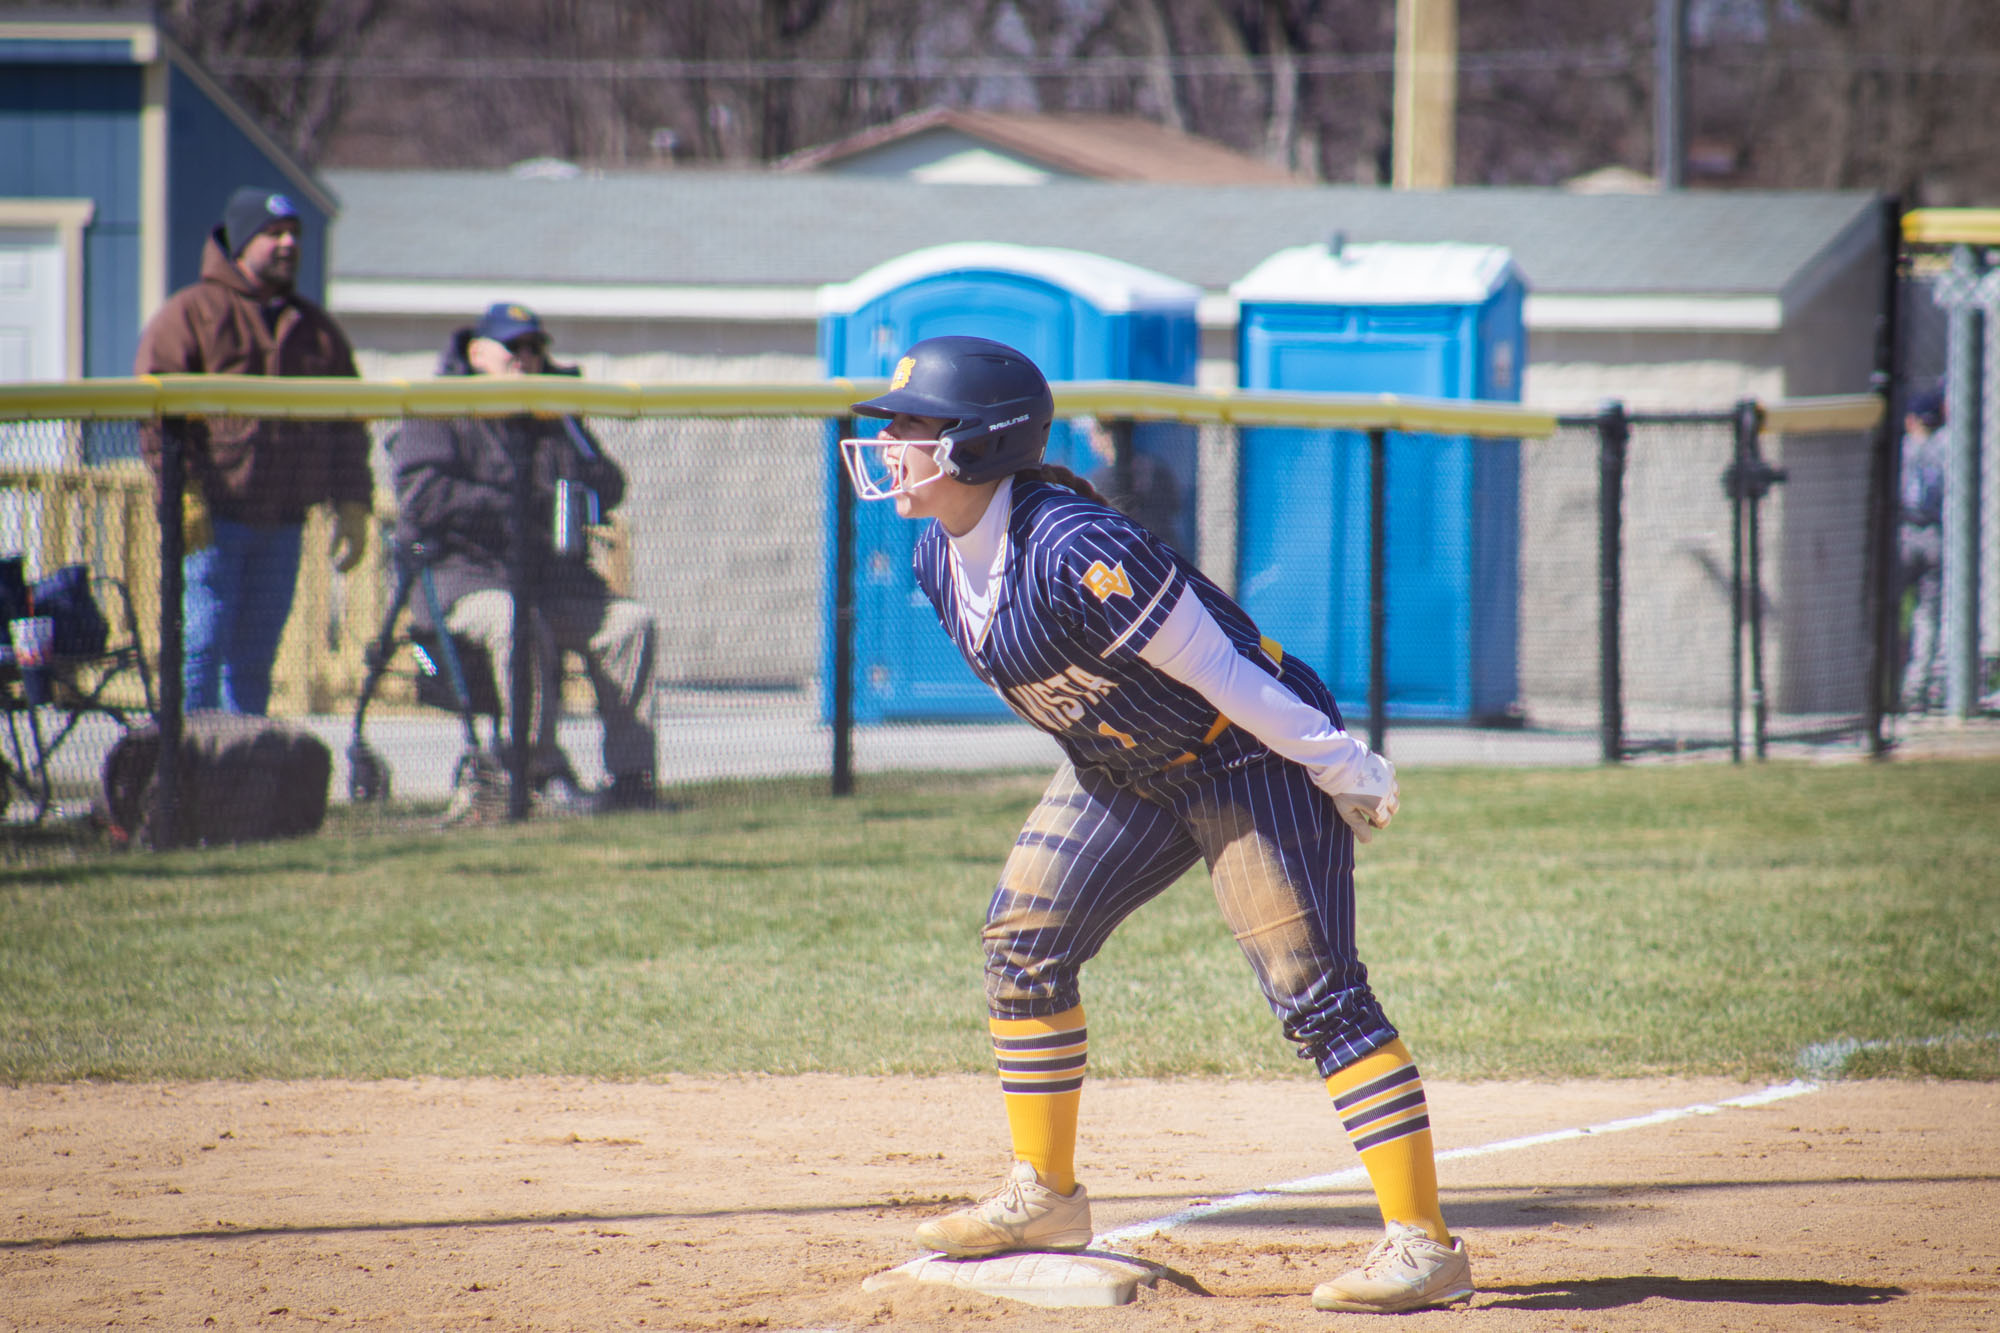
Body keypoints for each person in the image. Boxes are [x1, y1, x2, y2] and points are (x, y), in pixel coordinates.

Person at [839, 336, 1471, 1314]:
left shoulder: (1077, 549)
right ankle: (1042, 1196)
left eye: (911, 426)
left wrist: (1338, 762)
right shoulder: (934, 555)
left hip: (1243, 755)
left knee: (1316, 996)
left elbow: (1225, 671)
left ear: (976, 443)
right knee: (1023, 944)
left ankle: (1422, 1243)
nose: (889, 443)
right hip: (1123, 767)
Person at [393, 303, 659, 812]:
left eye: (535, 346)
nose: (526, 356)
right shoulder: (440, 407)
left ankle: (632, 780)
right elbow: (422, 498)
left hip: (549, 580)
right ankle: (535, 774)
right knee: (516, 619)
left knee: (631, 623)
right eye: (512, 346)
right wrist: (511, 502)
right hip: (463, 580)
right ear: (476, 353)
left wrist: (579, 476)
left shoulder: (553, 412)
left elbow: (610, 483)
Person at [136, 186, 374, 715]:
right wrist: (186, 493)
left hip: (284, 523)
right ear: (242, 241)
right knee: (200, 646)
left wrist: (353, 502)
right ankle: (188, 768)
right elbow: (157, 414)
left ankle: (240, 776)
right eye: (274, 234)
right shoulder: (190, 314)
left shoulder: (316, 330)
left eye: (294, 235)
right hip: (215, 521)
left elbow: (349, 424)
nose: (288, 244)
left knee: (253, 660)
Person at [1897, 386, 1947, 714]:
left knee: (1891, 608)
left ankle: (1888, 686)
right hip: (1935, 533)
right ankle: (1919, 686)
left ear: (1912, 420)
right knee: (1928, 614)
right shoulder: (1946, 445)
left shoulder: (1902, 448)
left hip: (1903, 532)